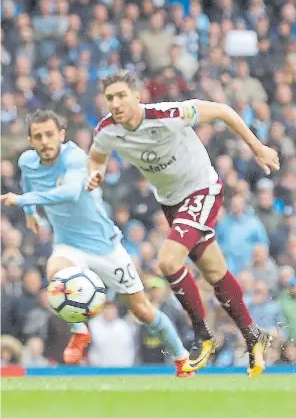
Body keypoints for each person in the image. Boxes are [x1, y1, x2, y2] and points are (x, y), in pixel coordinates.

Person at [86, 69, 280, 376]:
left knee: (168, 261)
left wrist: (258, 148)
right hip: (171, 202)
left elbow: (223, 111)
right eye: (110, 97)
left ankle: (203, 336)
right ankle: (253, 335)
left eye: (122, 95)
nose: (116, 102)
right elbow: (96, 158)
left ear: (137, 96)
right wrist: (95, 173)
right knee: (215, 272)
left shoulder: (169, 114)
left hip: (202, 189)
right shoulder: (107, 130)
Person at [0, 110, 191, 376]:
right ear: (31, 141)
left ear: (61, 135)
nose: (45, 141)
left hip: (106, 247)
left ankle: (182, 358)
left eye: (50, 135)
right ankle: (80, 331)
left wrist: (22, 201)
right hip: (68, 245)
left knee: (143, 310)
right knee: (56, 275)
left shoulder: (75, 157)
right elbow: (27, 181)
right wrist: (31, 214)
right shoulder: (27, 161)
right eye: (38, 136)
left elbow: (69, 193)